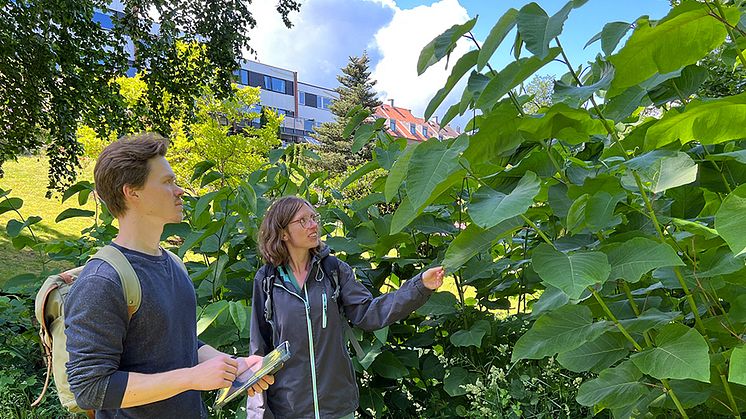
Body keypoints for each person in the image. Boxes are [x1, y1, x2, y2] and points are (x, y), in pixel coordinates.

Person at [64, 133, 272, 418]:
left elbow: (179, 345)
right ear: (132, 192)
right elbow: (90, 389)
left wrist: (233, 366)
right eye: (167, 182)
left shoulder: (173, 263)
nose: (180, 191)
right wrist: (191, 377)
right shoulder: (102, 281)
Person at [247, 195, 445, 418]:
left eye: (314, 218)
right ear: (283, 232)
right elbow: (258, 352)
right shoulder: (267, 280)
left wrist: (419, 287)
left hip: (337, 407)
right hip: (290, 409)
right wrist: (257, 413)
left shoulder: (333, 270)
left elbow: (370, 314)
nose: (313, 225)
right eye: (303, 221)